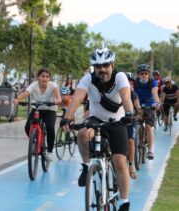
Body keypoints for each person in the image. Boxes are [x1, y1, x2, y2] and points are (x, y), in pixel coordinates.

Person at [60, 48, 134, 211]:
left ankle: (124, 202)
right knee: (82, 134)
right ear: (94, 67)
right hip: (96, 119)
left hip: (117, 122)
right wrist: (67, 117)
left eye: (106, 65)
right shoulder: (88, 78)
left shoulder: (120, 77)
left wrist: (129, 114)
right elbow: (77, 98)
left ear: (112, 65)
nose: (102, 69)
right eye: (98, 66)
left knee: (120, 162)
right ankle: (86, 166)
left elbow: (126, 97)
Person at [13, 68, 61, 160]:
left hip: (50, 109)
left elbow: (58, 97)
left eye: (47, 77)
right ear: (38, 77)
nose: (45, 79)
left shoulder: (53, 85)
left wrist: (58, 100)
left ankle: (50, 152)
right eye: (43, 76)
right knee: (28, 127)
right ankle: (35, 142)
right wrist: (18, 99)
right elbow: (26, 93)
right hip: (37, 108)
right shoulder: (34, 85)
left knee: (50, 127)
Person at [134, 64, 160, 160]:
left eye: (146, 73)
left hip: (150, 106)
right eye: (141, 73)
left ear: (149, 74)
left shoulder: (152, 82)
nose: (144, 75)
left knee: (149, 128)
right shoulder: (135, 83)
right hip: (138, 107)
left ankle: (150, 151)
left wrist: (157, 103)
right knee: (135, 125)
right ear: (138, 74)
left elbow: (155, 93)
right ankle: (138, 139)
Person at [125, 72, 141, 179]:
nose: (130, 85)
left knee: (130, 140)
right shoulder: (116, 94)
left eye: (131, 83)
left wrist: (141, 112)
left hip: (131, 120)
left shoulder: (134, 95)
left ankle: (131, 165)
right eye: (127, 83)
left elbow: (138, 107)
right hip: (117, 120)